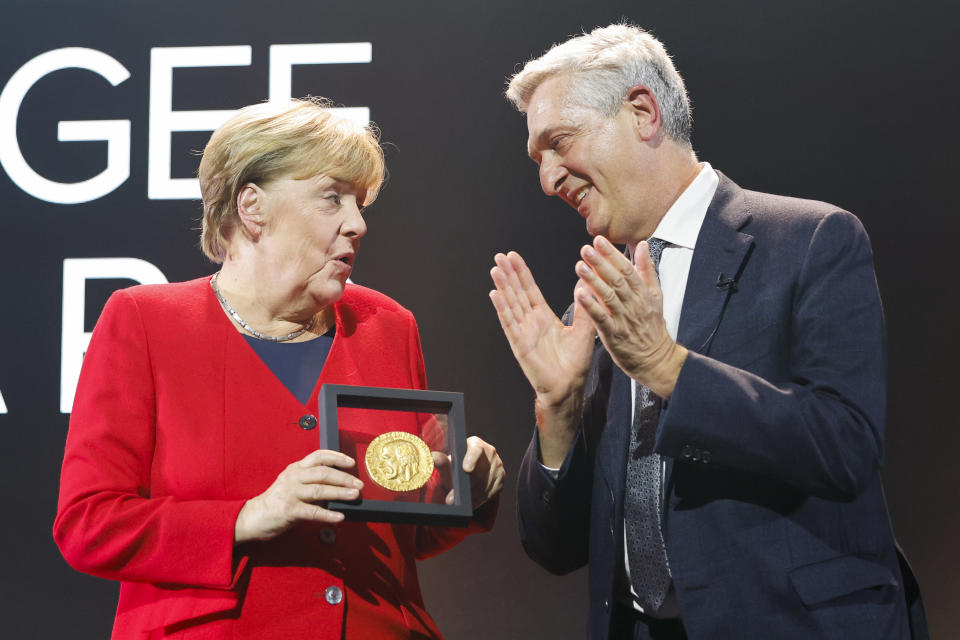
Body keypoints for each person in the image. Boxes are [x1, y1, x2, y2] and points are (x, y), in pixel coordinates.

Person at [489, 23, 926, 640]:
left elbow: (845, 447)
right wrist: (557, 410)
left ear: (642, 112)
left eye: (559, 143)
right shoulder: (599, 306)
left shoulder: (810, 242)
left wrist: (668, 368)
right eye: (537, 160)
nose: (547, 178)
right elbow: (555, 548)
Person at [54, 97, 504, 640]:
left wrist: (463, 495)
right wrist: (246, 517)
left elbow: (399, 534)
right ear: (252, 208)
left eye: (359, 203)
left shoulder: (388, 325)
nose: (357, 224)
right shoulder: (144, 322)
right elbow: (89, 524)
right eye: (331, 198)